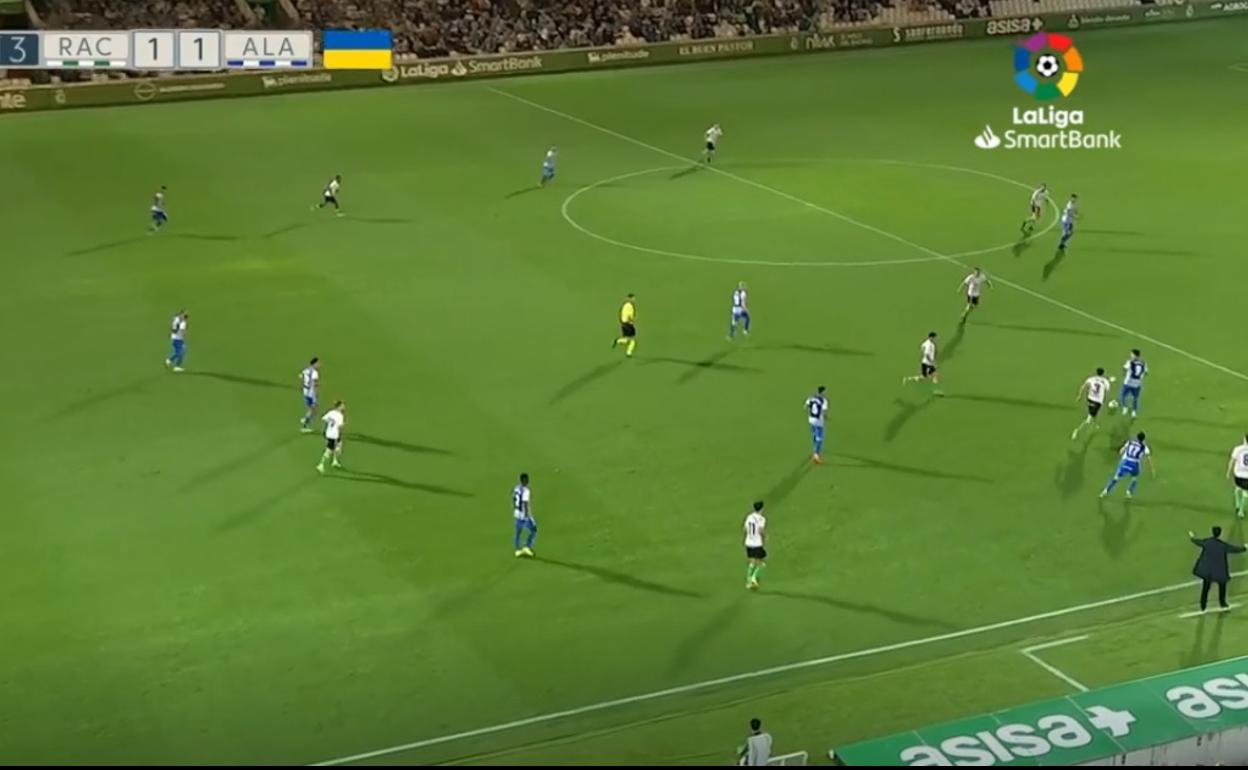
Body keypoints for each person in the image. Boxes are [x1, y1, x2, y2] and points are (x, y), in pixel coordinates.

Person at [1189, 525, 1246, 612]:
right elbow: (1234, 549)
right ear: (1220, 534)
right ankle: (1222, 603)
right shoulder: (1222, 545)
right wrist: (1244, 548)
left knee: (1205, 588)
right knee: (1222, 586)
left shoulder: (1207, 542)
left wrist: (1192, 538)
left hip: (1208, 571)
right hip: (1219, 570)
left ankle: (1203, 606)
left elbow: (1198, 542)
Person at [1100, 432, 1154, 498]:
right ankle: (1129, 492)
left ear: (1137, 437)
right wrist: (1152, 469)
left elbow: (1122, 450)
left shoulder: (1130, 442)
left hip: (1126, 461)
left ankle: (1105, 491)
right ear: (1143, 439)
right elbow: (1148, 458)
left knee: (1116, 478)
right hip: (1135, 464)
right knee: (1134, 478)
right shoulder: (1144, 447)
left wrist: (1121, 454)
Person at [1072, 367, 1112, 440]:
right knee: (1090, 417)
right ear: (1103, 373)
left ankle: (1095, 423)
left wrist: (1079, 396)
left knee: (1093, 413)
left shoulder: (1091, 379)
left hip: (1090, 399)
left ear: (1096, 372)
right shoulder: (1105, 381)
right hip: (1098, 401)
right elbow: (1107, 391)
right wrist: (1107, 400)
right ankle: (1077, 430)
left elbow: (1083, 386)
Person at [317, 400, 345, 474]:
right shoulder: (340, 416)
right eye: (342, 406)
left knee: (339, 445)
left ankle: (334, 461)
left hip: (328, 433)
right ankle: (321, 464)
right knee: (329, 450)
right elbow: (340, 426)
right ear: (338, 407)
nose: (343, 407)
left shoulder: (331, 412)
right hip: (334, 434)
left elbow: (323, 418)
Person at [513, 472, 537, 557]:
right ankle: (527, 546)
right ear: (524, 480)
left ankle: (517, 550)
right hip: (524, 515)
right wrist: (527, 516)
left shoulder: (516, 488)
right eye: (527, 480)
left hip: (517, 513)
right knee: (534, 530)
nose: (528, 481)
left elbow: (514, 499)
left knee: (518, 532)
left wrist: (516, 509)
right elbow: (525, 503)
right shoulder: (526, 490)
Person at [744, 501, 766, 590]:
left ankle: (748, 582)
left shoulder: (749, 517)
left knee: (751, 562)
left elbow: (745, 529)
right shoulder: (761, 519)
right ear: (762, 509)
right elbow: (760, 530)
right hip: (757, 543)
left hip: (748, 543)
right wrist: (765, 536)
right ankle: (753, 577)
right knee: (761, 562)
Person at [1119, 349, 1147, 418]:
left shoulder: (1130, 362)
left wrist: (1124, 373)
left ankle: (1125, 407)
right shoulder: (1143, 363)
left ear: (1135, 355)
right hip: (1137, 384)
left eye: (1132, 354)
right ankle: (1134, 412)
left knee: (1122, 396)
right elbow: (1146, 372)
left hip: (1128, 383)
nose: (1131, 355)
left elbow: (1124, 368)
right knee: (1135, 398)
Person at [805, 385, 828, 464]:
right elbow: (824, 411)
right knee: (819, 438)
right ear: (823, 392)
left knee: (814, 435)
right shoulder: (823, 400)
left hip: (811, 420)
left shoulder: (811, 398)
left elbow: (805, 406)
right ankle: (816, 455)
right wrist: (826, 417)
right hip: (818, 422)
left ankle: (815, 452)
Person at [1227, 435, 1248, 518]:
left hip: (1238, 475)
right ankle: (1241, 511)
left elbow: (1232, 461)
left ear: (1245, 440)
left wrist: (1228, 472)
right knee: (1245, 493)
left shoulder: (1238, 449)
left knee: (1237, 488)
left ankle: (1237, 504)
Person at [612, 293, 637, 358]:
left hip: (623, 323)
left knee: (627, 339)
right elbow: (629, 315)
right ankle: (629, 352)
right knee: (632, 339)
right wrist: (632, 321)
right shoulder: (630, 306)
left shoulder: (624, 305)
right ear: (630, 298)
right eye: (633, 298)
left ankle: (618, 341)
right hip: (628, 323)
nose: (634, 299)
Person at [300, 357, 320, 433]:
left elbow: (302, 378)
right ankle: (305, 423)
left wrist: (303, 388)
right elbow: (314, 383)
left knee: (312, 409)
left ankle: (305, 420)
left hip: (305, 391)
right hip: (311, 393)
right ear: (314, 364)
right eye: (318, 363)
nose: (319, 365)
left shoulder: (305, 370)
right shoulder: (315, 372)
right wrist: (316, 392)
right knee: (313, 409)